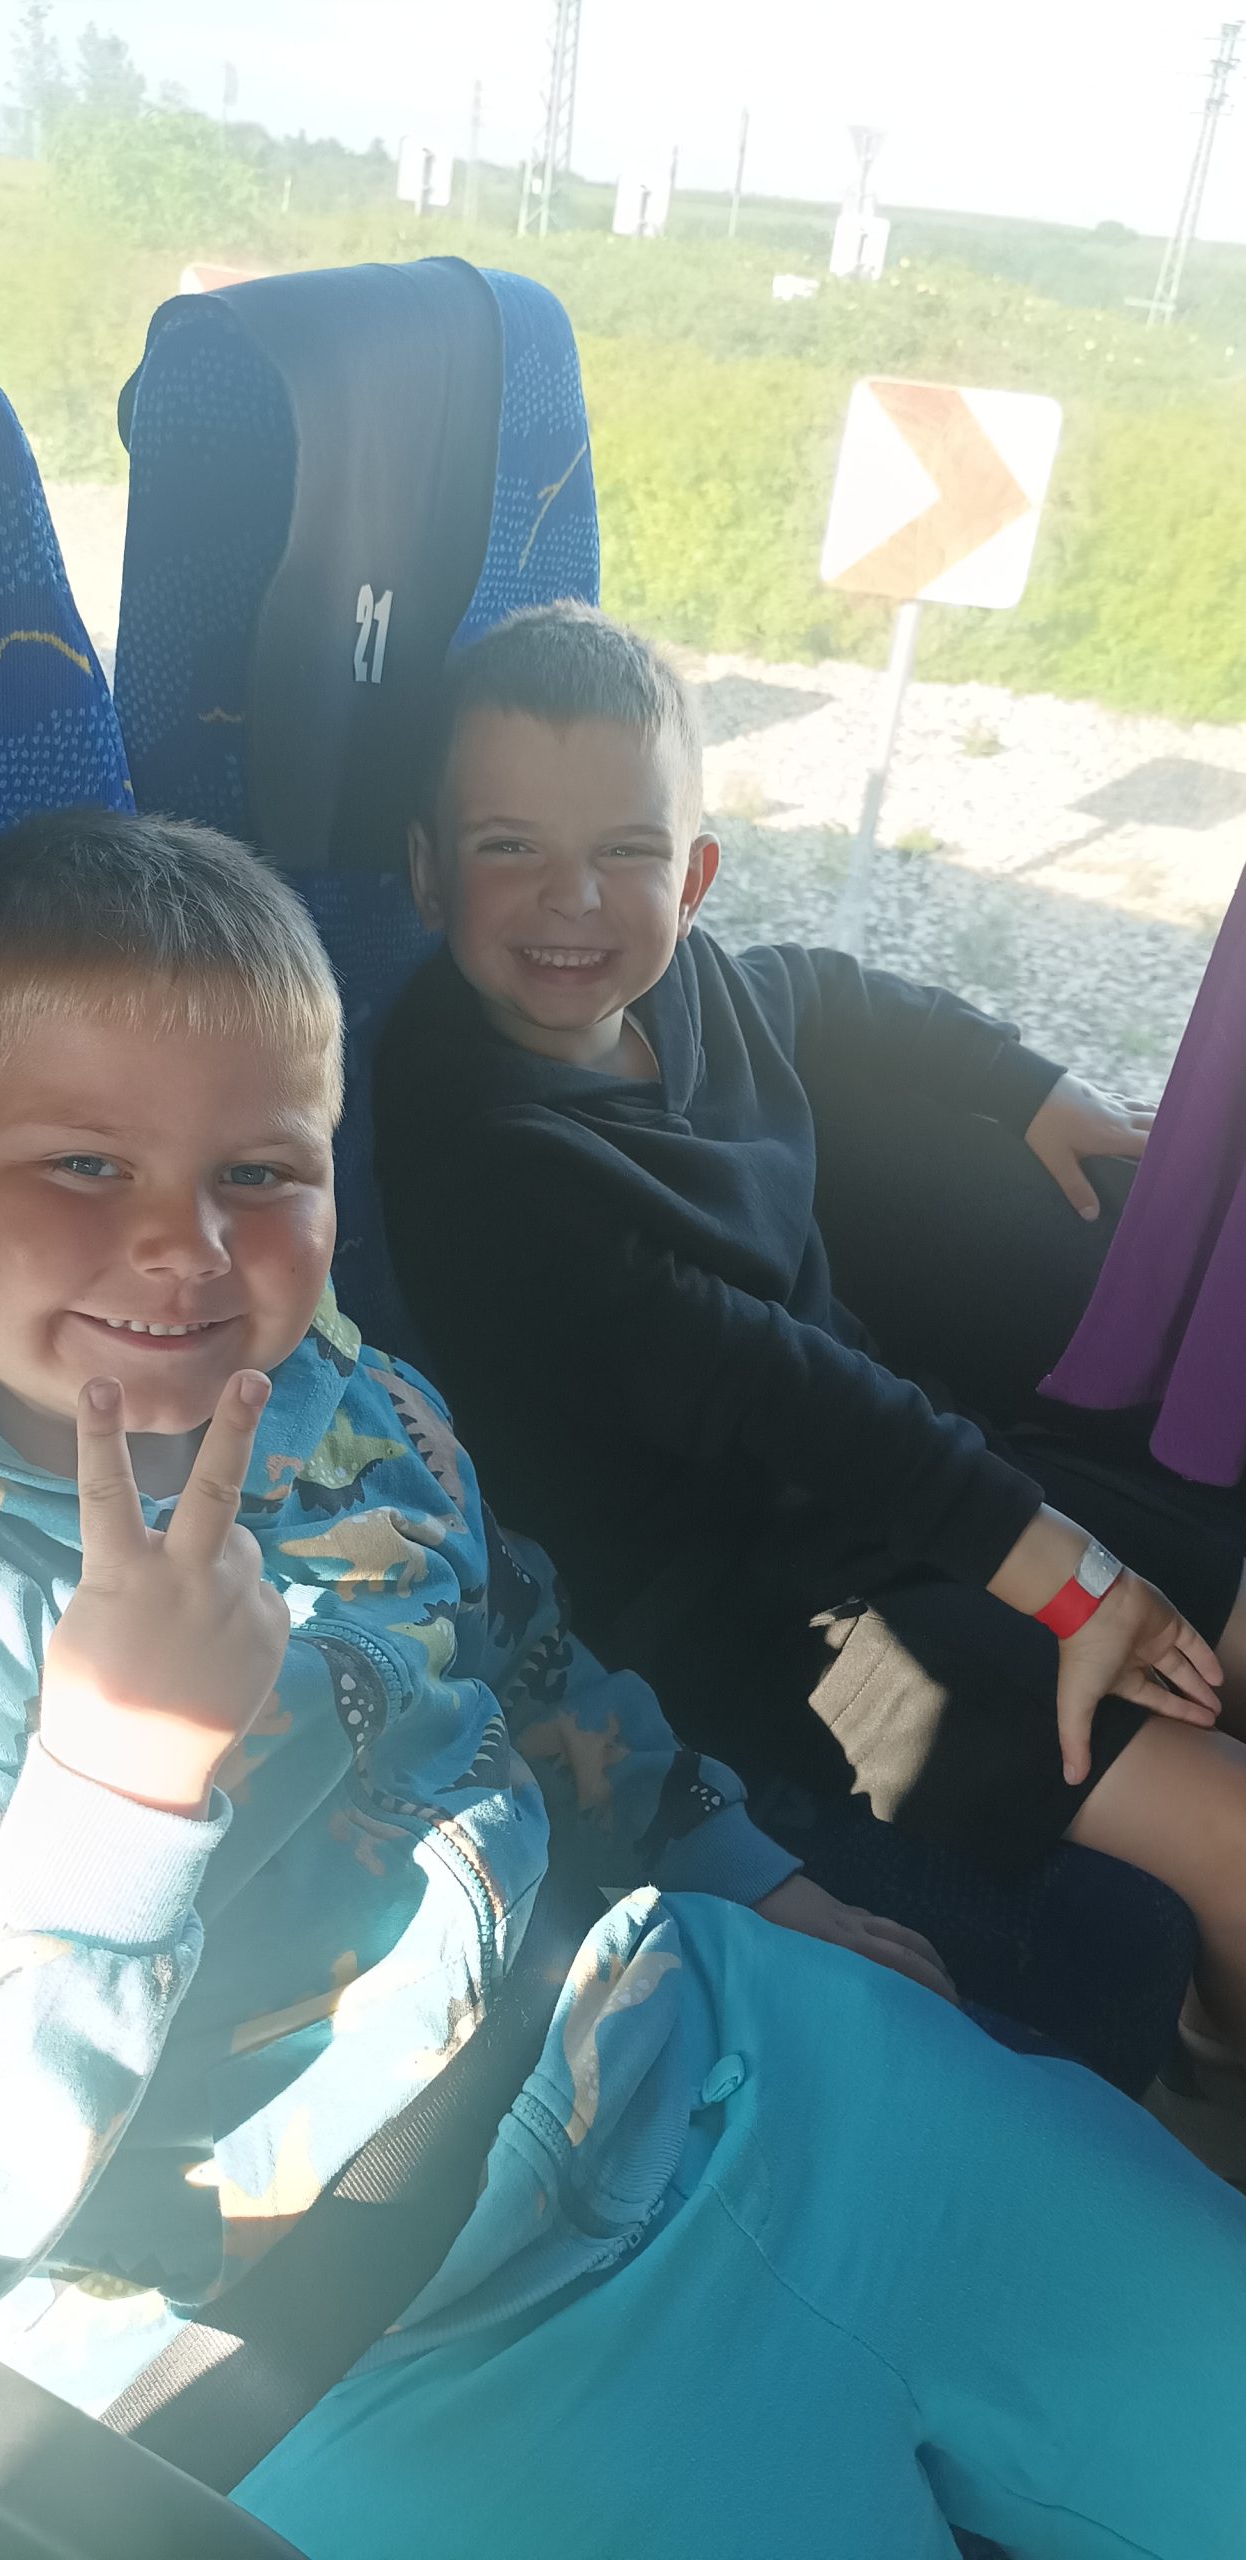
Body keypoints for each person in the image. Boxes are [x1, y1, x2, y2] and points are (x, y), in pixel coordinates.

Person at [0, 807, 1246, 2560]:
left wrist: (742, 1865)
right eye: (85, 1166)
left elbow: (532, 1650)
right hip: (355, 2348)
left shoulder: (359, 1402)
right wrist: (109, 1801)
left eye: (259, 1174)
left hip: (703, 2050)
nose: (185, 1248)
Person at [373, 601, 1246, 2089]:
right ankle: (1209, 2056)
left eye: (628, 852)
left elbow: (832, 999)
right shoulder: (489, 1165)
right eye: (509, 845)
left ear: (695, 875)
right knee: (1227, 1833)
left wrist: (1026, 1084)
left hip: (903, 1498)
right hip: (778, 1644)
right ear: (425, 868)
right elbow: (781, 1391)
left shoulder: (686, 988)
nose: (572, 900)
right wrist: (1071, 1582)